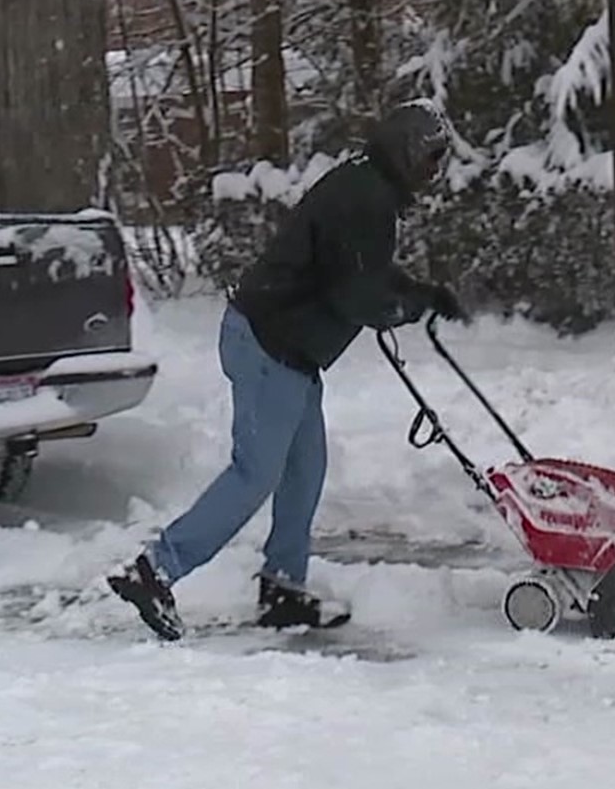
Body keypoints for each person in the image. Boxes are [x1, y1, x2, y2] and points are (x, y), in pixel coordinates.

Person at [107, 102, 467, 641]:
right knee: (256, 473)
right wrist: (404, 307)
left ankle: (282, 590)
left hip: (291, 352)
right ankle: (154, 570)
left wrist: (419, 293)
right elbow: (356, 294)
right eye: (431, 158)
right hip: (267, 345)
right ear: (407, 148)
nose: (434, 171)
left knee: (304, 471)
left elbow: (360, 268)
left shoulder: (369, 188)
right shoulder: (364, 196)